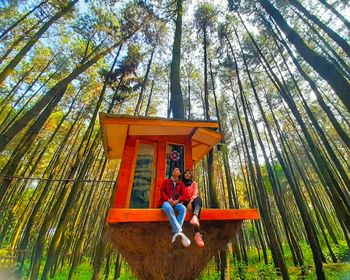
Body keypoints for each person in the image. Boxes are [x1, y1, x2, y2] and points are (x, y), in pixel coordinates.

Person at [158, 167, 191, 247]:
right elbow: (162, 192)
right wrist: (168, 199)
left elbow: (186, 196)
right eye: (174, 170)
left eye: (177, 170)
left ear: (180, 174)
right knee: (168, 208)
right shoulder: (166, 181)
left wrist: (178, 200)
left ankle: (175, 232)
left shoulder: (181, 184)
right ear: (172, 173)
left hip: (176, 202)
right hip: (166, 202)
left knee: (183, 208)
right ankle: (179, 231)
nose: (175, 170)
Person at [182, 169, 204, 247]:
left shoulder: (194, 183)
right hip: (183, 202)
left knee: (198, 199)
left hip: (192, 201)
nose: (187, 174)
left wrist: (190, 203)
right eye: (186, 173)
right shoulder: (181, 184)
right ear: (184, 175)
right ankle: (197, 233)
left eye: (189, 173)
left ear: (191, 175)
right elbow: (181, 195)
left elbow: (194, 194)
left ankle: (195, 217)